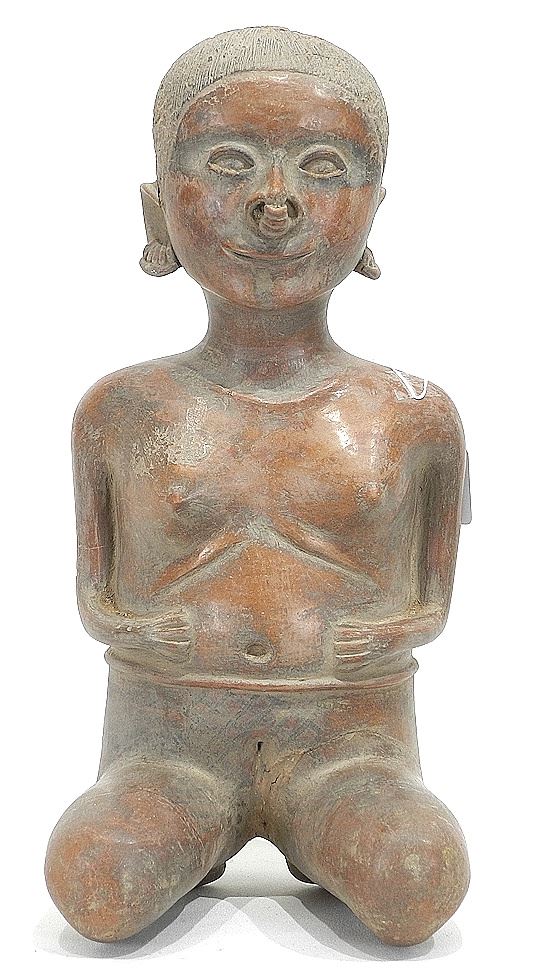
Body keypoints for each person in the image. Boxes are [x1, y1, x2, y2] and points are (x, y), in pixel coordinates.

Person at [45, 26, 470, 947]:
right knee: (95, 883)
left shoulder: (412, 416)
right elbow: (95, 594)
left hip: (351, 743)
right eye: (229, 163)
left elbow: (433, 600)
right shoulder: (122, 411)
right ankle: (188, 821)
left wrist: (387, 632)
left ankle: (327, 823)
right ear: (158, 210)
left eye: (322, 167)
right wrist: (137, 628)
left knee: (417, 878)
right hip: (165, 744)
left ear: (373, 211)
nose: (275, 201)